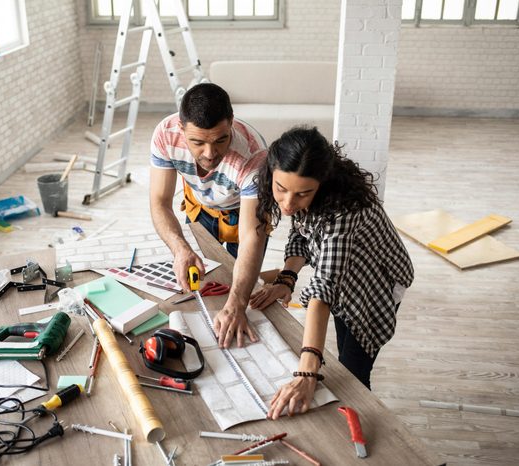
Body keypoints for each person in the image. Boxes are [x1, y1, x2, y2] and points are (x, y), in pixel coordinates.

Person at [248, 126, 414, 419]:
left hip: (377, 281)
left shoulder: (344, 212)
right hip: (344, 276)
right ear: (271, 172)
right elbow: (301, 235)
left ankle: (364, 430)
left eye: (302, 194)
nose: (287, 205)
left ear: (322, 185)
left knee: (354, 372)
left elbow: (324, 288)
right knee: (341, 335)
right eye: (281, 189)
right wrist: (287, 279)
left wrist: (307, 371)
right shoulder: (302, 195)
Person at [149, 83, 268, 348]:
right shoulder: (166, 134)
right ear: (181, 129)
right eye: (197, 142)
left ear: (231, 125)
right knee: (201, 281)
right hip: (200, 205)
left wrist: (237, 304)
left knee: (239, 288)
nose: (210, 153)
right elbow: (159, 202)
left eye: (220, 140)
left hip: (243, 212)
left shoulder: (254, 155)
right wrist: (181, 249)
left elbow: (252, 236)